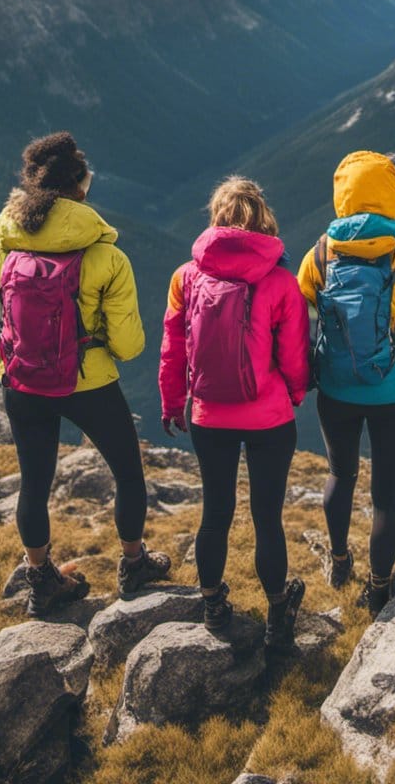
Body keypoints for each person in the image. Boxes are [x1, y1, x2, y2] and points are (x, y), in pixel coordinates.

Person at [0, 131, 170, 617]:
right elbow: (131, 346)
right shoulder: (106, 257)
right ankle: (134, 565)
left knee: (34, 483)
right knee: (128, 475)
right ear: (79, 187)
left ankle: (41, 580)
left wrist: (4, 358)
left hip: (24, 384)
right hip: (89, 384)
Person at [159, 176, 310, 650]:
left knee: (216, 512)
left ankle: (212, 604)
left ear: (217, 220)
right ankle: (277, 610)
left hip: (209, 415)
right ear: (262, 219)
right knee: (267, 517)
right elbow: (294, 356)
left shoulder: (186, 276)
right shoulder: (281, 281)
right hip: (269, 417)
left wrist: (171, 401)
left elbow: (173, 348)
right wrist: (295, 395)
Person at [298, 151, 395, 615]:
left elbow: (297, 326)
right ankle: (379, 586)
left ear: (343, 195)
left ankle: (340, 560)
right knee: (385, 495)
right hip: (392, 394)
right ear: (390, 196)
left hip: (336, 392)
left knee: (341, 474)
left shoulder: (318, 255)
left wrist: (304, 377)